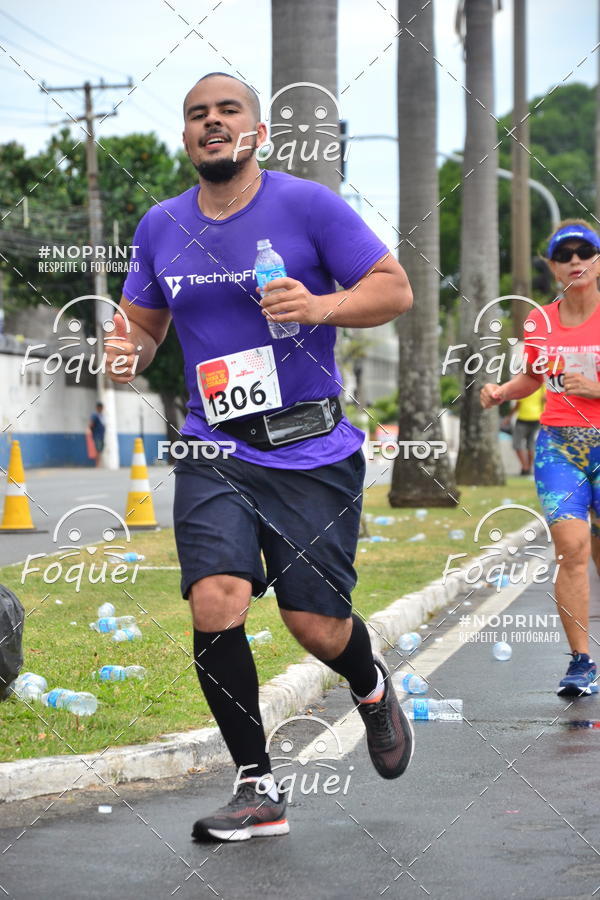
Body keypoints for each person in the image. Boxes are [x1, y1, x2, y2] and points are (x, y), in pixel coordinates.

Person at [106, 72, 414, 842]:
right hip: (215, 446)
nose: (211, 122)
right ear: (186, 137)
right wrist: (125, 353)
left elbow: (394, 288)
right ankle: (257, 786)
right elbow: (142, 329)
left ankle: (370, 684)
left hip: (310, 449)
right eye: (196, 115)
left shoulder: (305, 205)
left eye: (227, 110)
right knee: (215, 599)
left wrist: (320, 306)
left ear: (256, 132)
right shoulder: (160, 225)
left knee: (317, 628)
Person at [481, 219, 600, 697]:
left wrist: (594, 388)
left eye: (585, 251)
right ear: (552, 266)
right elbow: (532, 376)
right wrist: (501, 392)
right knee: (572, 549)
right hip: (558, 446)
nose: (576, 261)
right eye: (564, 254)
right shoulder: (539, 322)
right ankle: (581, 661)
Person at [503, 384, 545, 475]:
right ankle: (529, 467)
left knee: (516, 443)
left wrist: (509, 416)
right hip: (537, 417)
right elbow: (544, 400)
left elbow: (518, 404)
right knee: (531, 444)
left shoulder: (525, 385)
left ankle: (525, 467)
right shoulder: (541, 386)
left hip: (523, 417)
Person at [89, 402, 105, 467]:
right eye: (100, 408)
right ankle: (97, 465)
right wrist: (92, 431)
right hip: (97, 435)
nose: (102, 409)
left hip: (101, 436)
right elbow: (91, 424)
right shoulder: (95, 415)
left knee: (100, 450)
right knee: (98, 450)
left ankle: (99, 464)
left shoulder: (102, 415)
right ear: (98, 408)